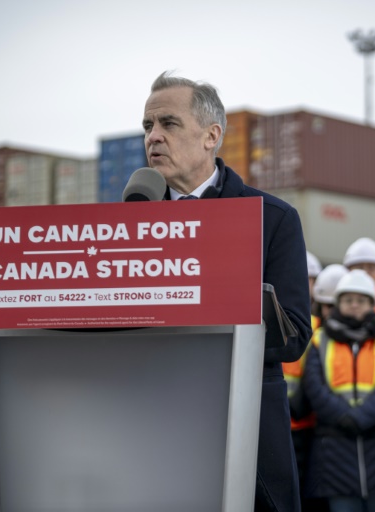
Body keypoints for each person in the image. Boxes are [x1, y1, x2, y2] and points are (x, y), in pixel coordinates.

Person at [143, 71, 312, 511]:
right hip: (152, 425)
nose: (153, 137)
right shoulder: (129, 225)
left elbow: (294, 335)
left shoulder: (272, 219)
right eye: (148, 127)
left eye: (168, 123)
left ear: (210, 136)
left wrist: (227, 298)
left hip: (243, 431)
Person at [302, 269, 375, 511]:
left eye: (361, 301)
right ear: (338, 303)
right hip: (335, 448)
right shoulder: (320, 340)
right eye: (348, 300)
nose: (354, 306)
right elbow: (314, 386)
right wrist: (343, 416)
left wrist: (362, 417)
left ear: (372, 305)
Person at [286, 264, 346, 512]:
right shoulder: (311, 328)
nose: (330, 312)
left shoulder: (323, 335)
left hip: (315, 427)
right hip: (292, 423)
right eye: (326, 305)